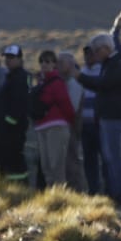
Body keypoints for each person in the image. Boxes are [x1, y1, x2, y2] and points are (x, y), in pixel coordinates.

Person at [79, 33, 121, 206]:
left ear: (105, 49)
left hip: (114, 117)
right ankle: (114, 192)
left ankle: (120, 194)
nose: (94, 55)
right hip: (107, 117)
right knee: (109, 157)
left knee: (115, 157)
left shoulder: (118, 64)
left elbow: (103, 84)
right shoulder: (110, 64)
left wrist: (78, 76)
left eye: (96, 51)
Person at [32, 50, 75, 188]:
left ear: (54, 64)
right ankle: (52, 197)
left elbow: (66, 105)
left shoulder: (57, 83)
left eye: (48, 61)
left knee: (56, 165)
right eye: (42, 61)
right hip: (41, 127)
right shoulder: (40, 83)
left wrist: (70, 122)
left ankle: (60, 197)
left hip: (56, 127)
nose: (44, 64)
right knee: (46, 167)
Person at [0, 45, 31, 181]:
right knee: (7, 158)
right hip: (7, 127)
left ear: (20, 59)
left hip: (13, 129)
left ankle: (19, 187)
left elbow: (20, 103)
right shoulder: (11, 76)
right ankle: (9, 187)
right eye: (7, 58)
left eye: (11, 57)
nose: (8, 61)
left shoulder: (21, 77)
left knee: (14, 158)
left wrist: (9, 121)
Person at [56, 52, 88, 191]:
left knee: (72, 162)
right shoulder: (60, 82)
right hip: (61, 127)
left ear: (70, 65)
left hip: (70, 128)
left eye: (61, 63)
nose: (57, 66)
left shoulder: (74, 84)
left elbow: (72, 110)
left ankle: (77, 191)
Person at [78, 45, 102, 194]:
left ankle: (109, 189)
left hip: (98, 122)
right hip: (84, 123)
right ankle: (93, 188)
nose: (88, 58)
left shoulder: (101, 71)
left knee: (105, 157)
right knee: (89, 158)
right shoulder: (82, 72)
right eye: (86, 55)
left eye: (91, 54)